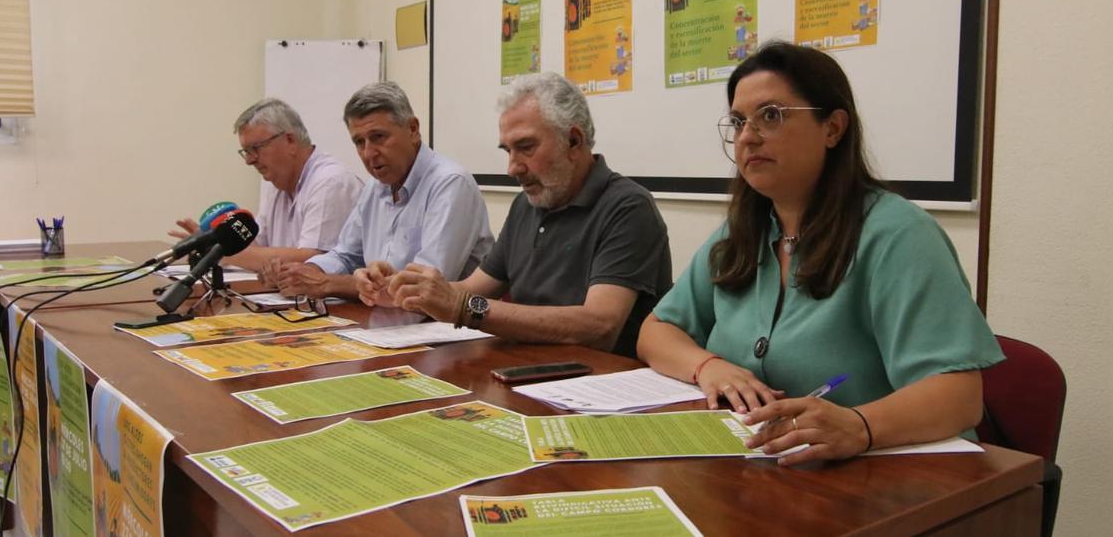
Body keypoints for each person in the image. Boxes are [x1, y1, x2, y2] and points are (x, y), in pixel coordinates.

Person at [637, 42, 1004, 464]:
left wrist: (860, 426)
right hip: (767, 468)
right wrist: (707, 367)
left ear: (833, 128)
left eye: (770, 116)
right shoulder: (743, 233)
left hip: (881, 476)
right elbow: (656, 331)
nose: (748, 136)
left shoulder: (899, 235)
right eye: (738, 122)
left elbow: (959, 396)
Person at [370, 72, 670, 357]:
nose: (513, 168)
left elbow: (599, 325)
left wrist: (464, 307)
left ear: (574, 141)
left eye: (526, 148)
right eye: (508, 151)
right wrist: (404, 289)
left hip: (601, 383)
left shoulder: (627, 207)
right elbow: (469, 290)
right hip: (527, 369)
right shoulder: (527, 204)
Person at [261, 82, 493, 301]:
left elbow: (422, 288)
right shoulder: (375, 185)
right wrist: (304, 272)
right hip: (387, 323)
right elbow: (345, 255)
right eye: (359, 142)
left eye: (378, 137)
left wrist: (327, 283)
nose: (369, 153)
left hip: (448, 331)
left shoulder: (450, 183)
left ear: (412, 129)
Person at [169, 98, 361, 270]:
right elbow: (256, 247)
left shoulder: (330, 182)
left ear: (290, 140)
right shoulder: (276, 182)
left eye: (255, 149)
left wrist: (220, 252)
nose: (249, 161)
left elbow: (313, 261)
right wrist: (212, 240)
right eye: (245, 151)